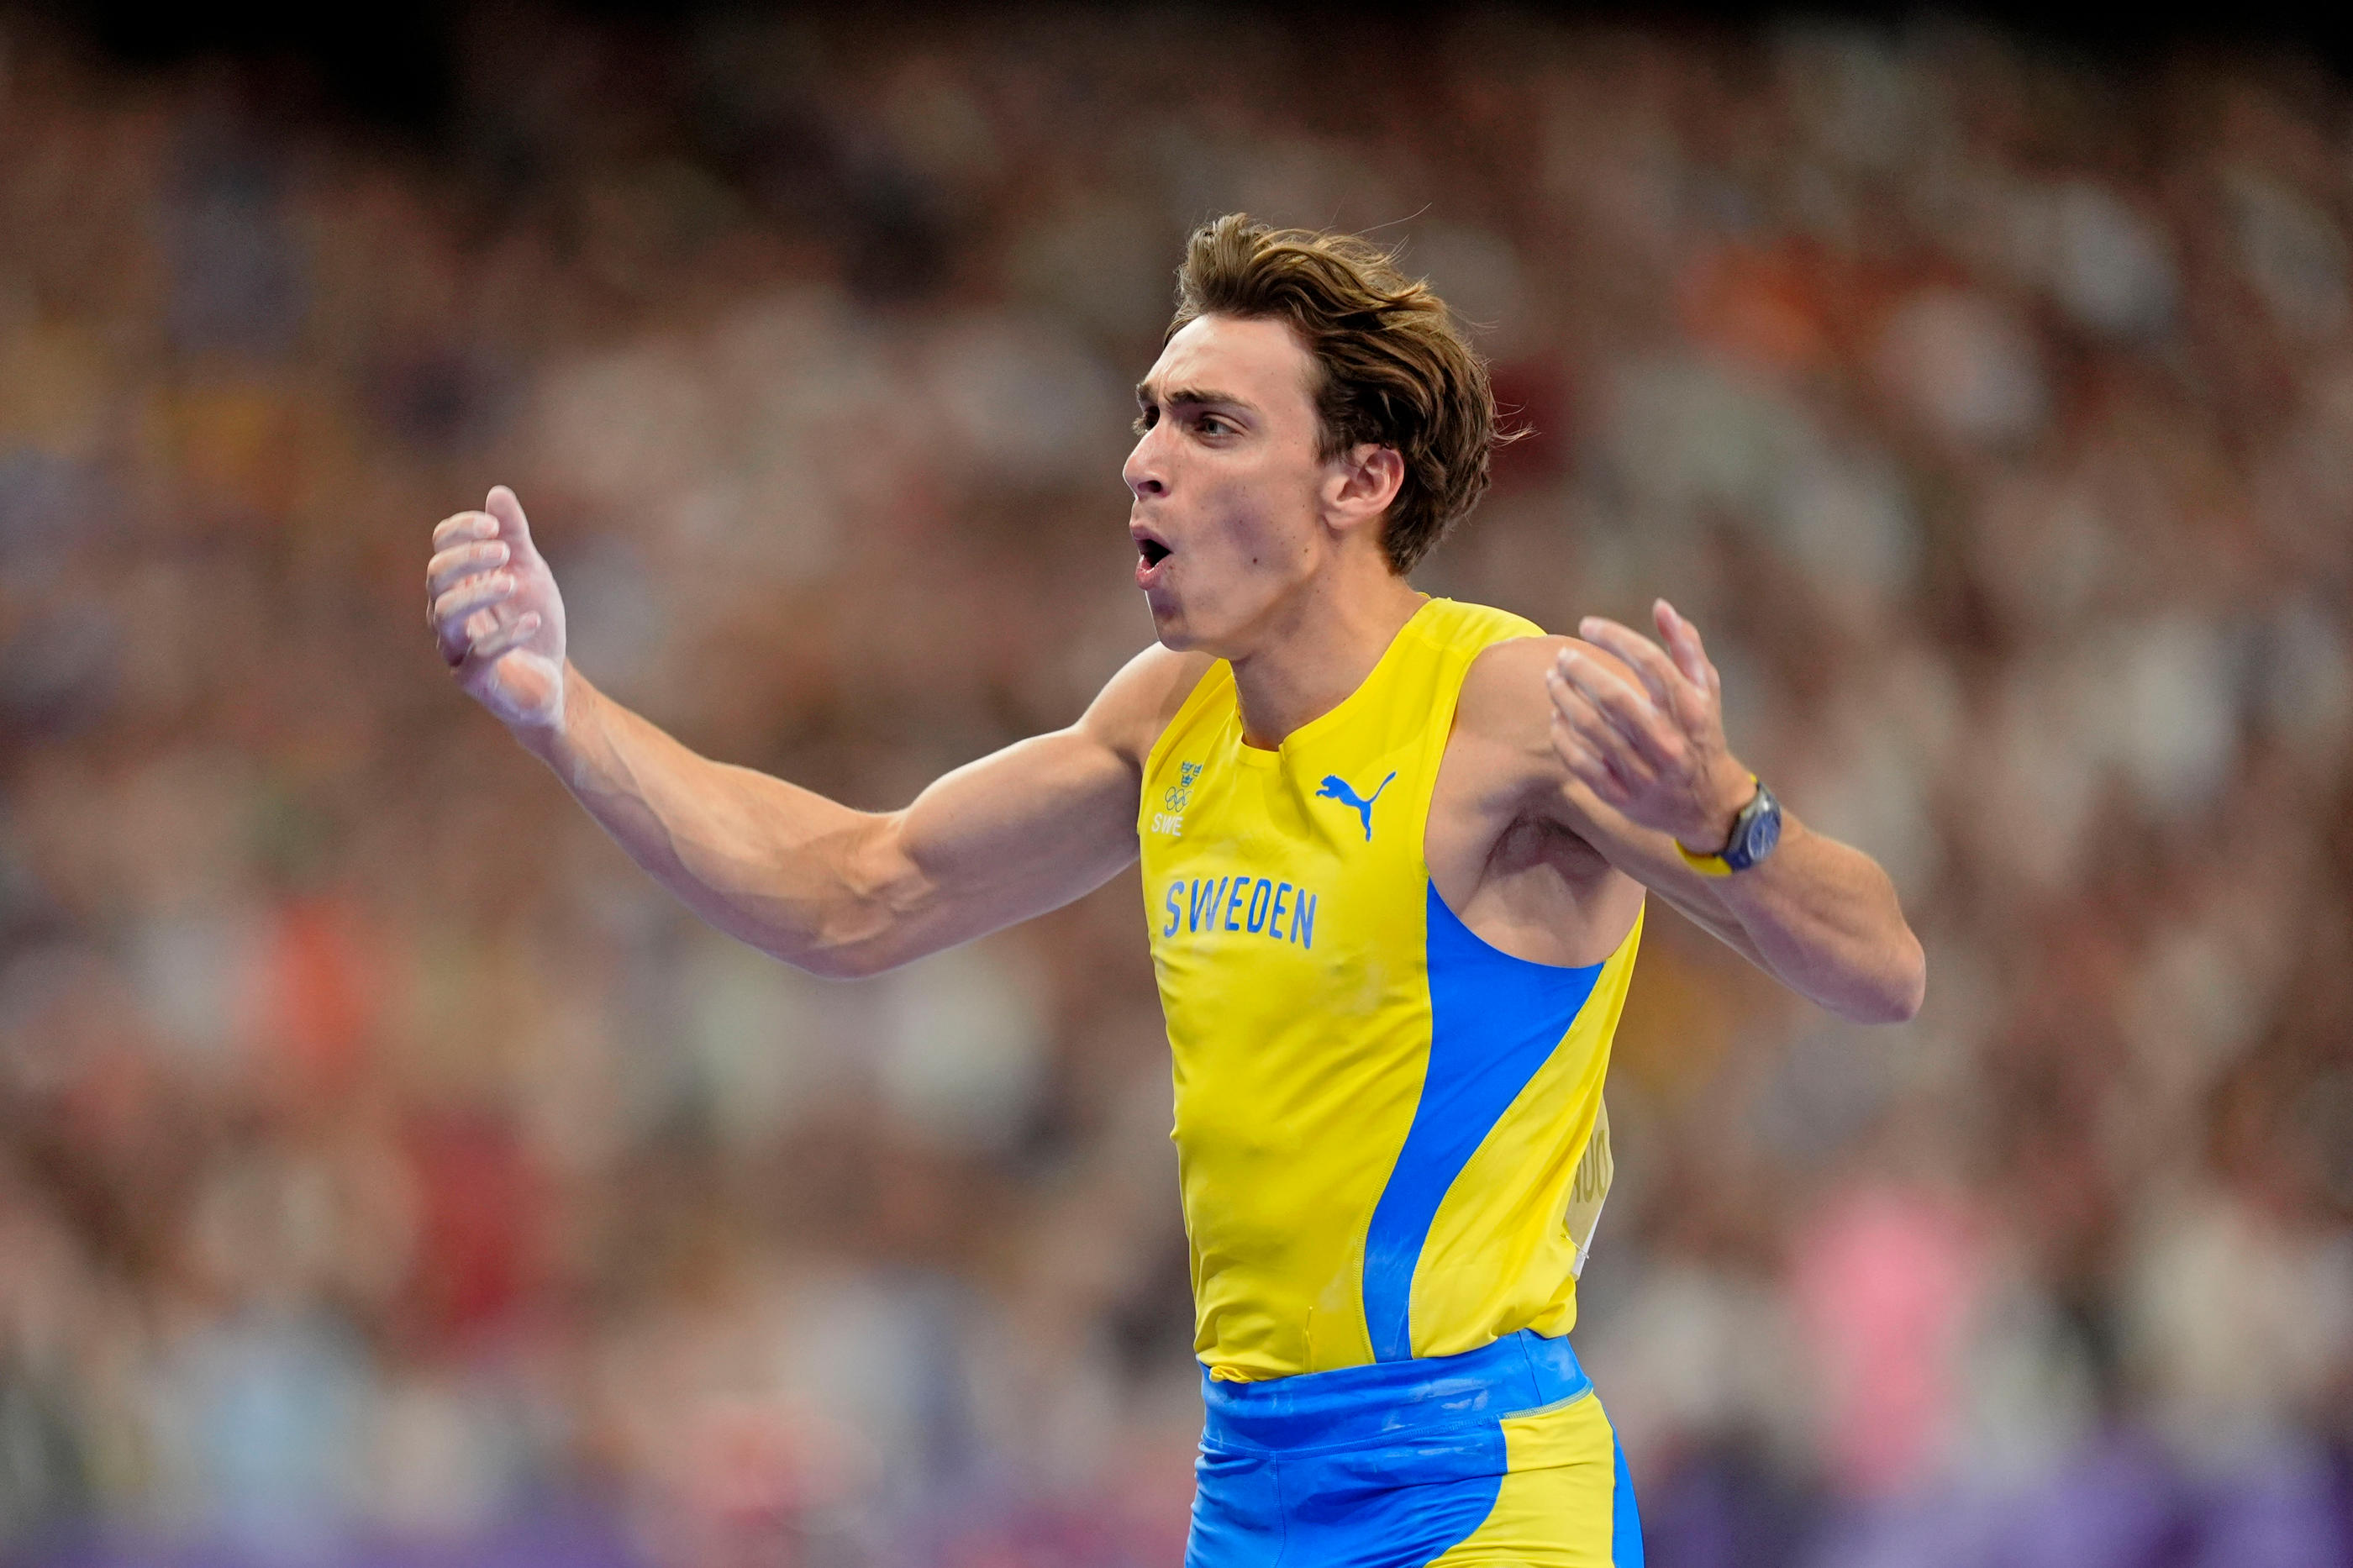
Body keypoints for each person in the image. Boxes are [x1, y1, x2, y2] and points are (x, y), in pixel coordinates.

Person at [424, 214, 1924, 1566]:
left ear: (1360, 478)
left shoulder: (1510, 707)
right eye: (1147, 416)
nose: (1144, 458)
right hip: (1253, 1487)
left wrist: (1727, 819)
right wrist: (565, 711)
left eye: (1210, 424)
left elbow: (1883, 970)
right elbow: (853, 894)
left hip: (1477, 1484)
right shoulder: (1165, 717)